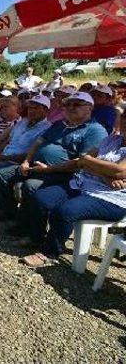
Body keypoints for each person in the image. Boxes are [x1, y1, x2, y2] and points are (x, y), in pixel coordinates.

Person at [0, 92, 108, 245]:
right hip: (38, 167)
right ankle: (15, 217)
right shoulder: (60, 124)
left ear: (90, 108)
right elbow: (38, 142)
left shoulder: (95, 130)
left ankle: (35, 235)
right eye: (68, 104)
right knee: (1, 175)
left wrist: (49, 169)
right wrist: (26, 161)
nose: (71, 107)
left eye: (77, 104)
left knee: (31, 186)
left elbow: (82, 163)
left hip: (67, 175)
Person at [21, 110, 126, 267]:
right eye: (124, 117)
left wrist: (89, 161)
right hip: (82, 184)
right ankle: (36, 238)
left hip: (111, 198)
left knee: (65, 211)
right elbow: (81, 161)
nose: (124, 121)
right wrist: (103, 173)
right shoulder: (113, 139)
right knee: (40, 197)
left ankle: (50, 253)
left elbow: (120, 170)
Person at [0, 95, 52, 205]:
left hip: (17, 161)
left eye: (36, 108)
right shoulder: (23, 122)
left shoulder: (47, 128)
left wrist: (2, 157)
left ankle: (1, 199)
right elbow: (8, 140)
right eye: (30, 108)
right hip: (3, 154)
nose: (31, 111)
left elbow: (31, 154)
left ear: (45, 110)